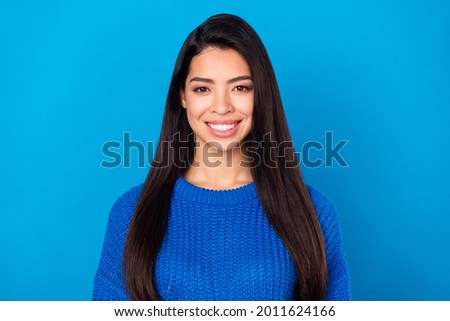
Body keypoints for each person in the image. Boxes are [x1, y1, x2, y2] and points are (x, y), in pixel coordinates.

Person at [92, 13, 351, 301]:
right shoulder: (130, 213)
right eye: (203, 89)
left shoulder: (314, 212)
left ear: (260, 94)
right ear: (182, 96)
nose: (222, 107)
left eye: (240, 87)